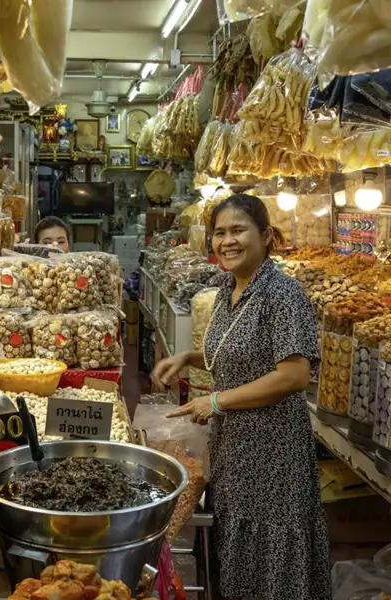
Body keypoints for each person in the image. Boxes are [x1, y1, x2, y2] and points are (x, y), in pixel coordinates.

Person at [150, 194, 330, 600]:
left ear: (266, 237)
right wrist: (188, 357)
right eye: (219, 233)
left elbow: (293, 375)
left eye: (238, 231)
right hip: (233, 447)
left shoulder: (282, 295)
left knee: (273, 557)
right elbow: (240, 352)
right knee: (237, 547)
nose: (227, 241)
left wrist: (214, 402)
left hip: (272, 451)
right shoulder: (228, 290)